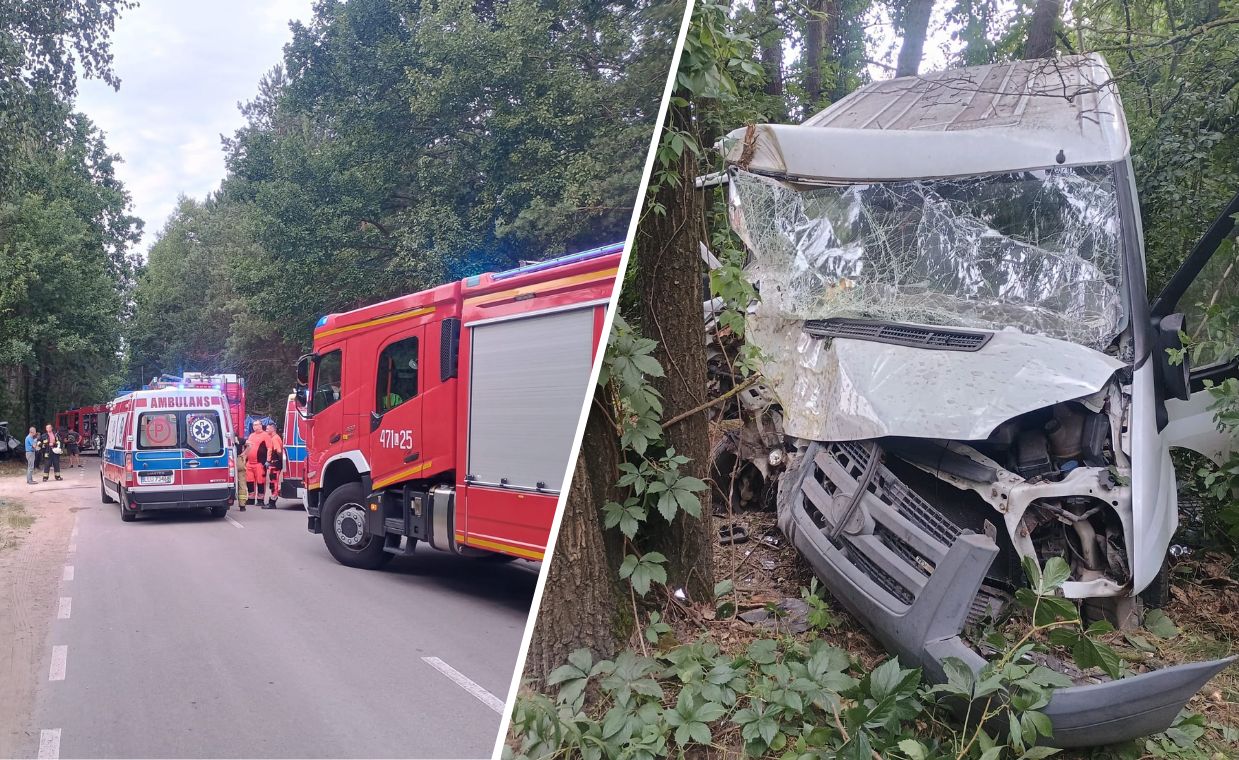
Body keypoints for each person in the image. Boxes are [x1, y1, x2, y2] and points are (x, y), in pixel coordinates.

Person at [240, 421, 268, 511]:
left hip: (259, 463)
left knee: (260, 481)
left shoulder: (265, 435)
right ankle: (251, 498)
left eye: (256, 425)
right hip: (250, 463)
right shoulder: (251, 435)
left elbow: (270, 448)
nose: (255, 426)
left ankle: (260, 499)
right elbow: (247, 447)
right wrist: (244, 457)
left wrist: (268, 461)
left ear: (261, 425)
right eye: (253, 425)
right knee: (249, 481)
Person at [262, 423, 284, 509]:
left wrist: (278, 461)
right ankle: (272, 500)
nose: (266, 429)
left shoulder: (275, 438)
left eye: (268, 428)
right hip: (273, 463)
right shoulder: (274, 438)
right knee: (272, 482)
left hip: (275, 464)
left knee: (274, 483)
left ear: (273, 429)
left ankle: (273, 502)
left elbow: (278, 451)